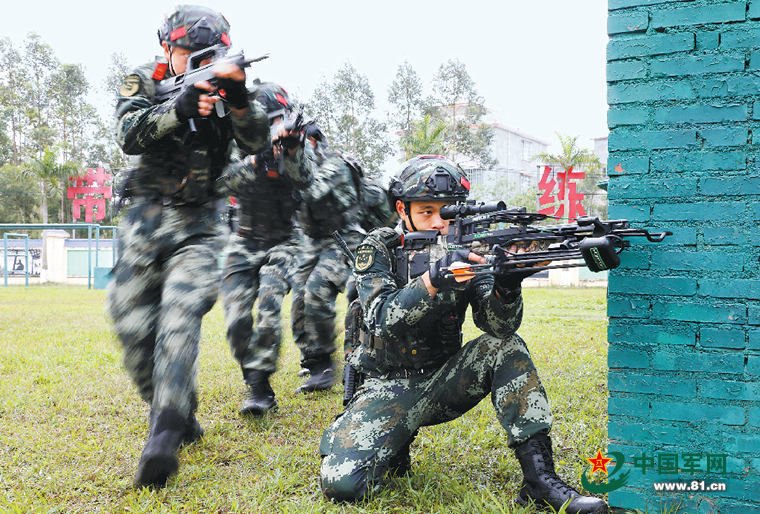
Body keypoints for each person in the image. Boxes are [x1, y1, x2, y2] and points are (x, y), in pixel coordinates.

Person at [318, 155, 608, 514]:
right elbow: (379, 317)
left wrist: (506, 285)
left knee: (505, 346)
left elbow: (498, 326)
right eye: (427, 212)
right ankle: (388, 442)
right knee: (343, 485)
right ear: (402, 209)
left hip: (443, 380)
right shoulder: (379, 248)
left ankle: (538, 480)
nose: (440, 223)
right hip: (384, 385)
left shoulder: (471, 250)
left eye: (450, 213)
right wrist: (433, 279)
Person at [106, 5, 275, 488]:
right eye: (188, 52)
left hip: (201, 223)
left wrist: (238, 96)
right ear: (166, 48)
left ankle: (163, 435)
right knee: (132, 328)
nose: (199, 60)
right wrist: (177, 109)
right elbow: (127, 135)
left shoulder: (233, 83)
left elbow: (258, 140)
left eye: (210, 54)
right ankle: (182, 412)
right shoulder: (145, 77)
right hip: (144, 217)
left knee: (179, 318)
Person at [220, 82, 311, 416]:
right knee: (235, 319)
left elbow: (305, 180)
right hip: (243, 239)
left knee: (270, 304)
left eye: (277, 120)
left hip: (284, 240)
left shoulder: (295, 142)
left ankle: (260, 389)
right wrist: (259, 158)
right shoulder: (233, 142)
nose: (273, 128)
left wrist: (291, 151)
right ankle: (255, 382)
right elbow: (224, 180)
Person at [290, 125, 363, 392]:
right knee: (299, 301)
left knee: (317, 291)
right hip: (312, 240)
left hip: (342, 237)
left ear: (314, 142)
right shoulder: (292, 163)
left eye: (303, 143)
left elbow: (312, 191)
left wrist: (292, 157)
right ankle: (311, 357)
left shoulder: (335, 166)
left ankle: (324, 367)